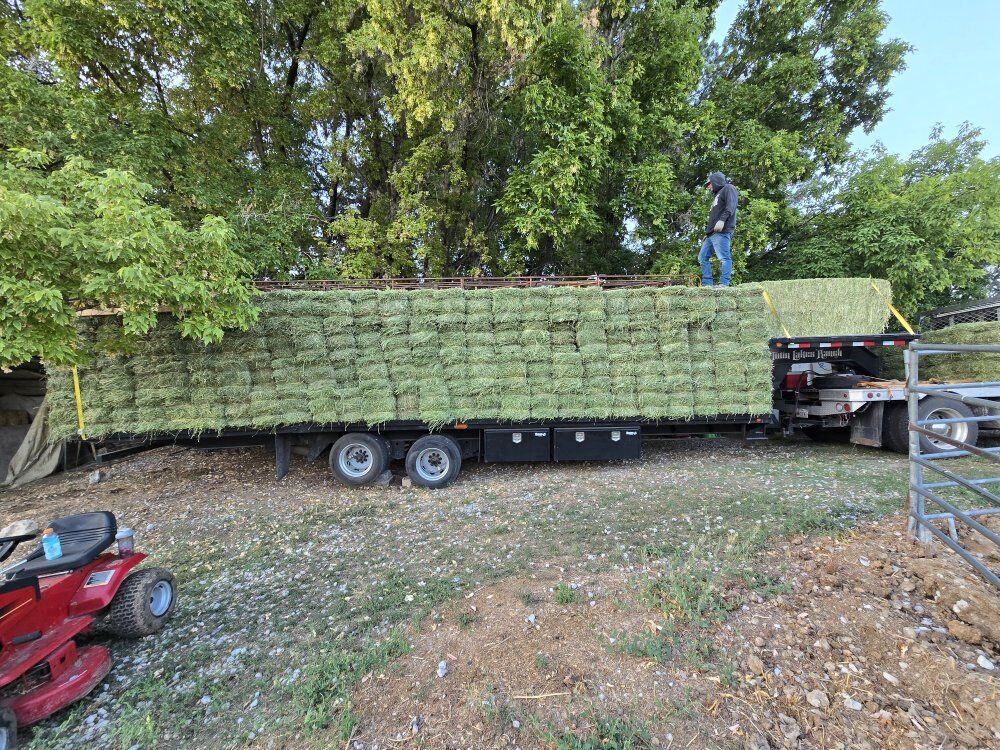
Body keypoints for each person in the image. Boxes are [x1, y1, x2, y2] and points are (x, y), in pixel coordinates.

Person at [698, 171, 738, 287]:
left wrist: (722, 220)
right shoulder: (716, 196)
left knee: (724, 258)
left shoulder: (728, 188)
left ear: (715, 181)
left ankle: (724, 283)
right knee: (702, 257)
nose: (709, 187)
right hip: (711, 234)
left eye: (709, 184)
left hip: (722, 231)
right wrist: (707, 233)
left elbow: (731, 206)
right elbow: (714, 216)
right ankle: (707, 284)